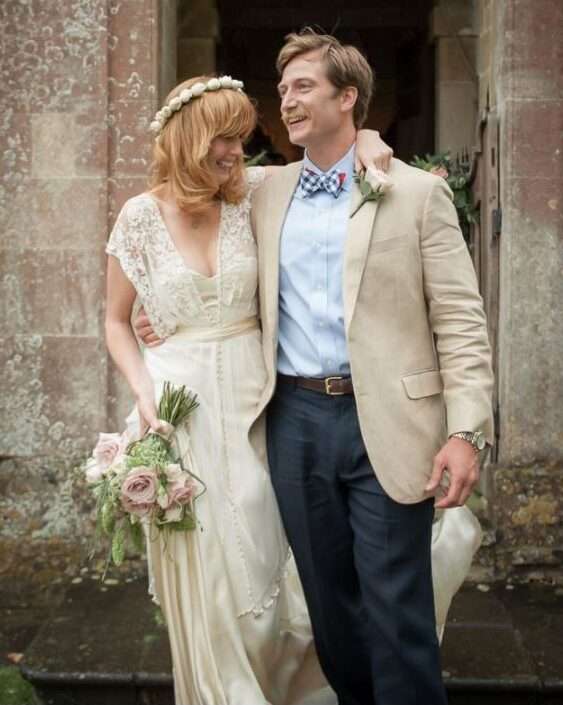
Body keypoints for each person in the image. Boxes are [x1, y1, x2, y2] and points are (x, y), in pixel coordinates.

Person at [105, 74, 392, 705]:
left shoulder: (256, 195)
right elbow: (115, 320)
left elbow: (329, 163)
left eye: (241, 138)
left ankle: (291, 687)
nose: (238, 152)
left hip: (262, 400)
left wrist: (368, 135)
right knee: (209, 570)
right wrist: (142, 390)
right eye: (223, 140)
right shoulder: (139, 218)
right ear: (187, 140)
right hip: (178, 410)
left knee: (277, 556)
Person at [244, 30, 494, 705]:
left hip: (387, 417)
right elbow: (185, 214)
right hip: (293, 418)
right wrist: (150, 311)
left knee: (396, 608)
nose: (286, 101)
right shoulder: (261, 192)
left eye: (303, 87)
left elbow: (460, 320)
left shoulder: (413, 194)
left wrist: (466, 429)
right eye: (283, 88)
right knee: (329, 610)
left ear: (346, 96)